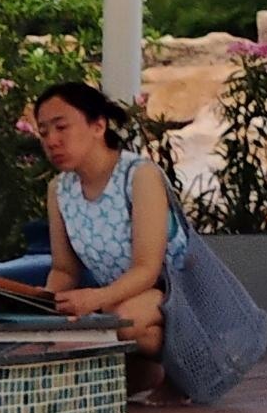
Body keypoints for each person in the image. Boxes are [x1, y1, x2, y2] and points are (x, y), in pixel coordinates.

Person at [30, 79, 187, 388]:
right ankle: (150, 372)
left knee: (121, 318)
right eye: (44, 132)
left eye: (61, 127)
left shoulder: (139, 175)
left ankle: (190, 365)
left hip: (174, 292)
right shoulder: (59, 190)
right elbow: (64, 270)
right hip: (117, 299)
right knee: (99, 322)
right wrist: (44, 304)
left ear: (98, 126)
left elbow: (148, 268)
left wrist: (96, 299)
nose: (52, 140)